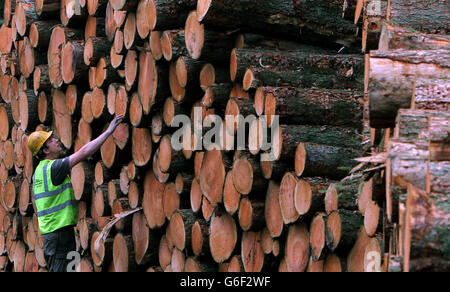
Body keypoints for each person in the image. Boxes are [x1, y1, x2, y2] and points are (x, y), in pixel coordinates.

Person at [28, 115, 124, 272]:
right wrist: (108, 132)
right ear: (45, 150)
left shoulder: (39, 171)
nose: (56, 140)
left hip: (55, 235)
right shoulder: (53, 168)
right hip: (59, 237)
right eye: (51, 140)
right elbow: (85, 151)